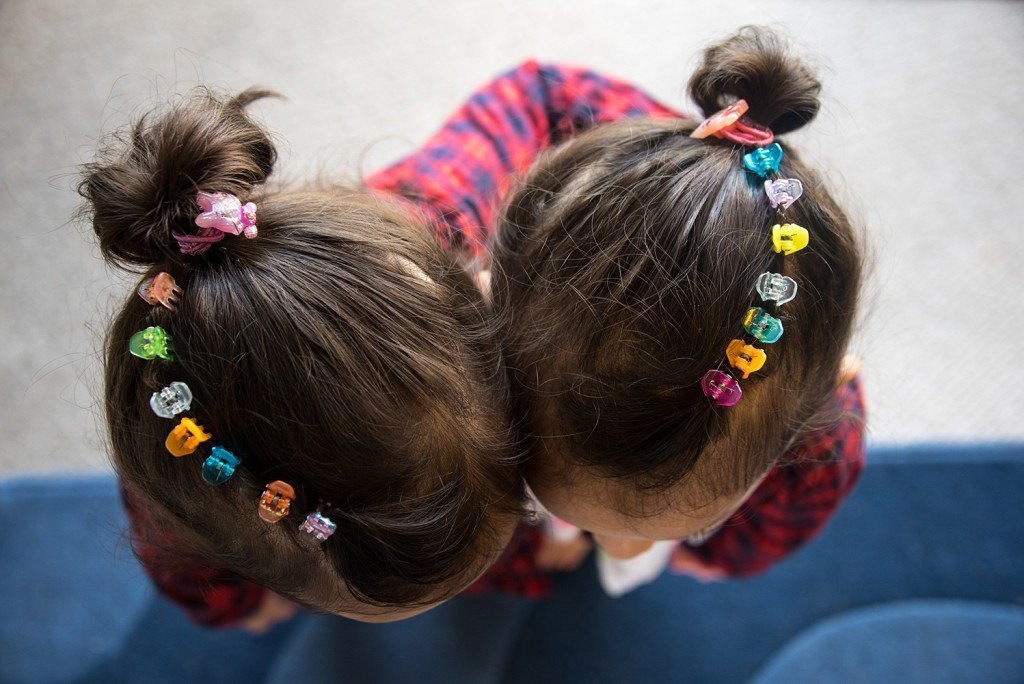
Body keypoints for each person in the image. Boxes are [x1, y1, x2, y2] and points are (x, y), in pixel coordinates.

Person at [80, 60, 683, 630]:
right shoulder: (186, 462)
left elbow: (543, 90)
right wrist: (235, 606)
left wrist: (695, 184)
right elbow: (183, 568)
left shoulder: (446, 212)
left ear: (483, 320)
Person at [489, 26, 867, 584]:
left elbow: (766, 538)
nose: (622, 552)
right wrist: (525, 556)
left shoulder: (823, 451)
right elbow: (536, 88)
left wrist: (712, 557)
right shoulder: (455, 259)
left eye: (684, 527)